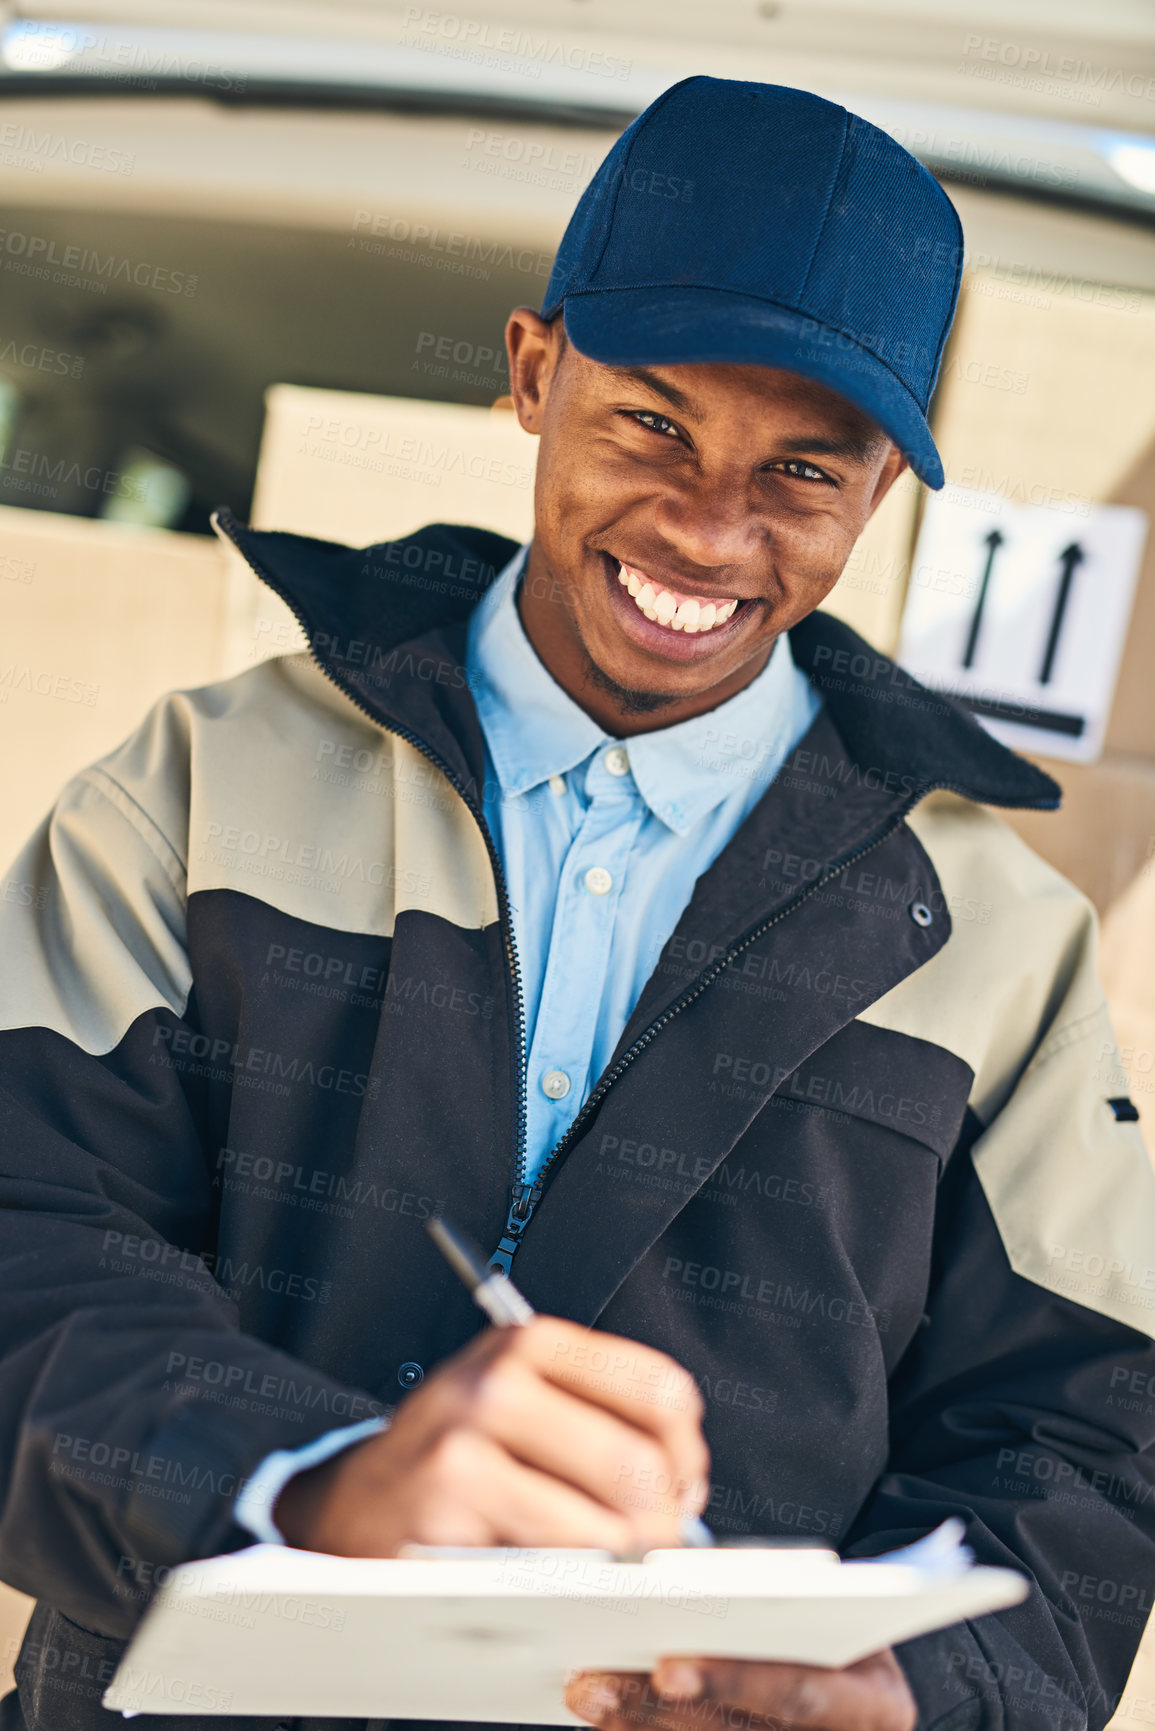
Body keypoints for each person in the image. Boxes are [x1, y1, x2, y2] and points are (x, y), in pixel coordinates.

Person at [1, 74, 1153, 1731]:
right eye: (653, 425)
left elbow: (1086, 1438)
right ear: (536, 374)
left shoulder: (996, 939)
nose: (708, 528)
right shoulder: (200, 786)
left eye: (804, 476)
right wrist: (311, 1489)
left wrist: (917, 1695)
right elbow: (25, 1234)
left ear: (880, 497)